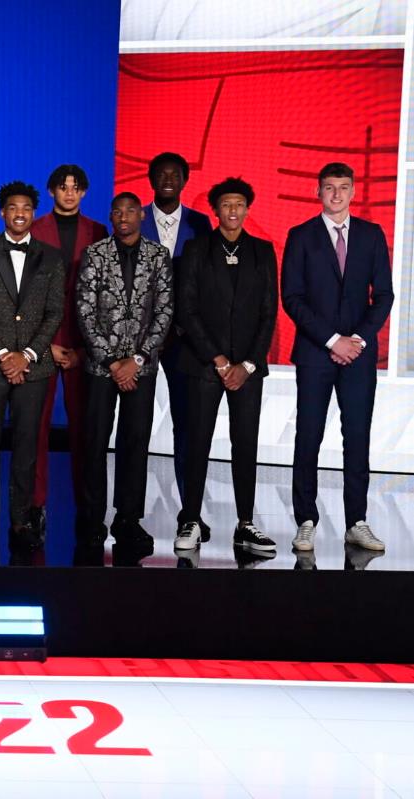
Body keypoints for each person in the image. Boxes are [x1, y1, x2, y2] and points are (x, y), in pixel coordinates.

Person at [283, 162, 394, 553]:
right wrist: (332, 341)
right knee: (308, 436)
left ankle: (356, 521)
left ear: (353, 192)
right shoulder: (301, 236)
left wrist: (357, 340)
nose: (336, 194)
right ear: (318, 191)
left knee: (357, 437)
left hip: (359, 356)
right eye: (329, 187)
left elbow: (384, 295)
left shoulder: (371, 234)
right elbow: (292, 297)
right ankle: (306, 520)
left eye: (343, 187)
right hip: (315, 352)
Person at [174, 177, 278, 555]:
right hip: (204, 365)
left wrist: (247, 364)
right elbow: (186, 309)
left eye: (239, 204)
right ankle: (190, 519)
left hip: (248, 369)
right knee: (197, 442)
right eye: (226, 204)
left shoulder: (263, 251)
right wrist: (218, 360)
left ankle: (245, 523)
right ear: (215, 210)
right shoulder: (196, 249)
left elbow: (268, 313)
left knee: (245, 444)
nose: (232, 211)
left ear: (247, 209)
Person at [0, 182, 67, 552]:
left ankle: (21, 520)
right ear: (2, 212)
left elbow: (54, 311)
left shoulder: (51, 257)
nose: (19, 213)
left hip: (34, 368)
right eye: (12, 207)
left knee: (27, 445)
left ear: (33, 213)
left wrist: (28, 355)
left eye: (25, 208)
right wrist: (4, 354)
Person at [74, 192, 173, 548]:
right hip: (102, 367)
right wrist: (113, 362)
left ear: (142, 215)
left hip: (141, 368)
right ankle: (92, 517)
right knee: (95, 441)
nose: (124, 217)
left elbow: (164, 310)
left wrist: (138, 360)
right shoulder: (95, 254)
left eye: (131, 211)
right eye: (118, 212)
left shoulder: (158, 256)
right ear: (111, 216)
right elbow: (84, 310)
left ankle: (128, 518)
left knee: (135, 442)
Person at [29, 164, 107, 534]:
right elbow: (25, 293)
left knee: (85, 431)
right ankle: (35, 505)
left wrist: (84, 348)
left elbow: (105, 297)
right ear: (51, 191)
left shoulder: (98, 231)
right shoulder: (34, 229)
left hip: (83, 342)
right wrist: (44, 344)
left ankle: (87, 509)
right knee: (36, 428)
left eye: (76, 187)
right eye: (63, 186)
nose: (70, 193)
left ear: (84, 192)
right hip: (41, 340)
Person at [143, 152, 212, 502]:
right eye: (162, 174)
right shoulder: (134, 217)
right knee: (136, 425)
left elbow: (206, 281)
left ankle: (190, 510)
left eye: (175, 174)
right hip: (140, 339)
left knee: (186, 423)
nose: (168, 180)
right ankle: (129, 513)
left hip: (185, 339)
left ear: (185, 180)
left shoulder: (201, 224)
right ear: (151, 179)